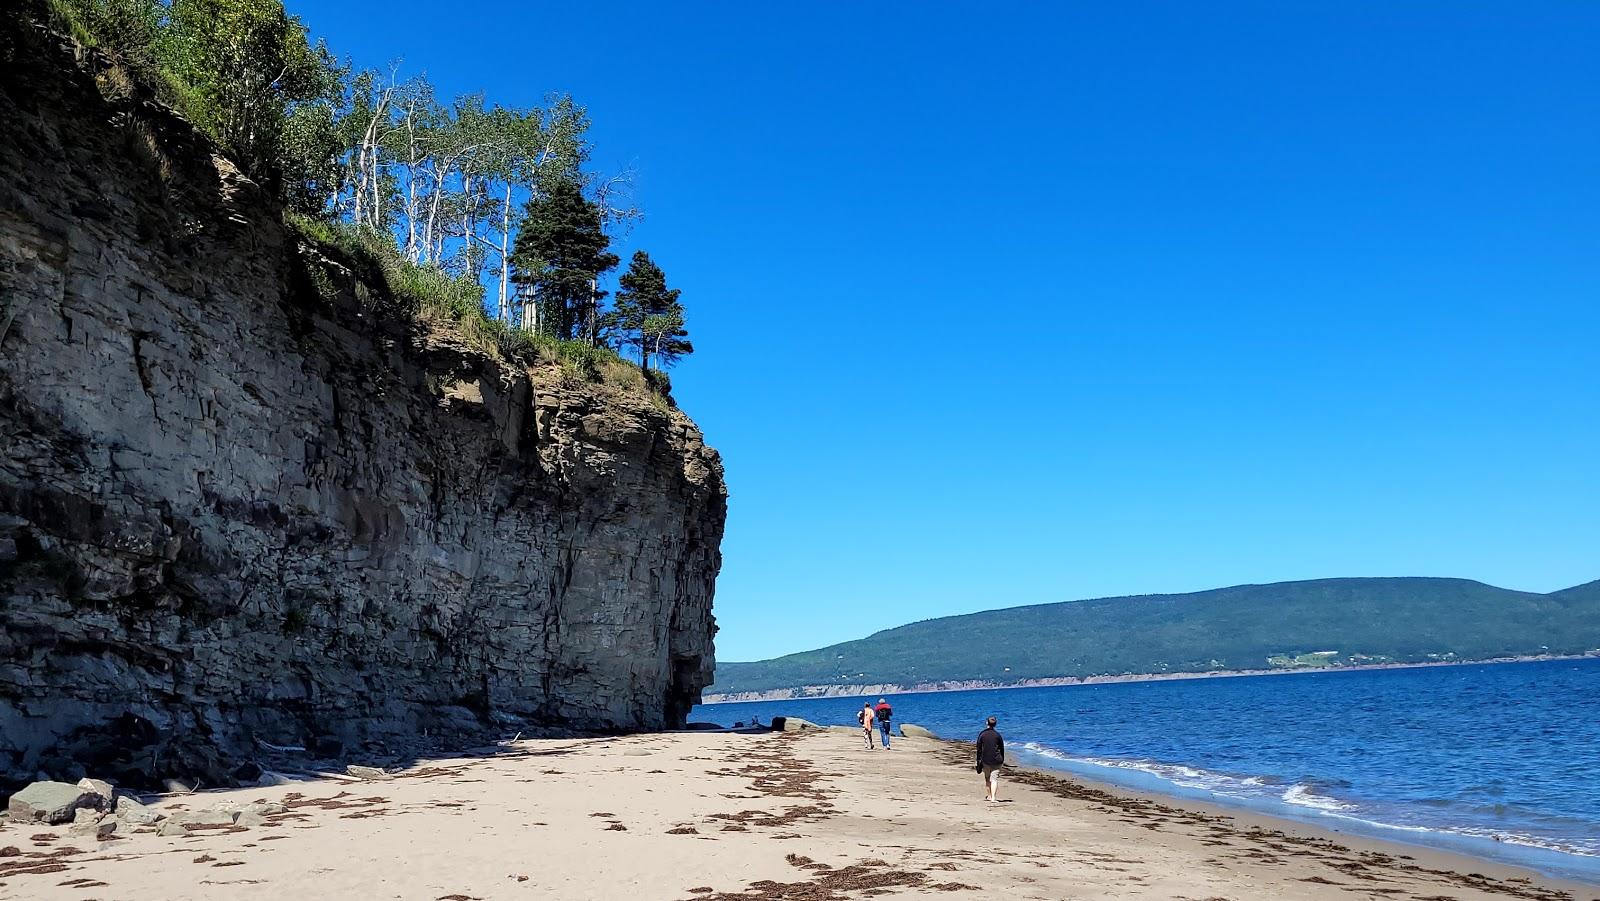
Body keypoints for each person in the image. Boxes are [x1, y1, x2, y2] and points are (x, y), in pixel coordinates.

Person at [975, 716, 1005, 801]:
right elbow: (1002, 748)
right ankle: (993, 798)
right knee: (994, 779)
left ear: (986, 723)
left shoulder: (982, 734)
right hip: (997, 760)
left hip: (986, 760)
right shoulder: (998, 735)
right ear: (995, 724)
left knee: (987, 778)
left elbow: (979, 749)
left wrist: (978, 761)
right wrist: (1002, 759)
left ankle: (989, 796)